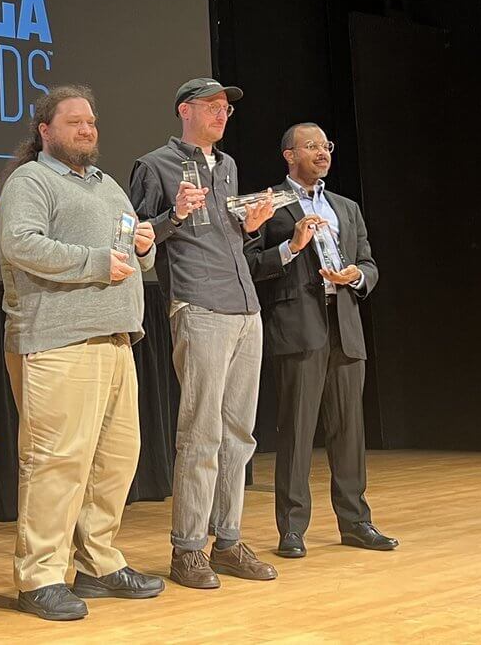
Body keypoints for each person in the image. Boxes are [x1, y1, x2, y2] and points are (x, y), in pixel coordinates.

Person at [0, 84, 165, 622]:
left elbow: (127, 253)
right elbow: (22, 244)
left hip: (117, 339)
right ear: (45, 131)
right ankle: (39, 575)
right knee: (56, 462)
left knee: (115, 461)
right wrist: (98, 261)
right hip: (58, 341)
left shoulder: (108, 184)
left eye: (90, 122)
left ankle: (98, 563)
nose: (86, 130)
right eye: (74, 122)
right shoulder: (32, 180)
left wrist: (144, 246)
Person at [129, 77, 278, 590]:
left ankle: (229, 540)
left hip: (244, 307)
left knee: (240, 433)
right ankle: (188, 548)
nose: (222, 115)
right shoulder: (155, 166)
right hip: (198, 305)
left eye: (226, 110)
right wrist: (175, 214)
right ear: (185, 110)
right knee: (202, 432)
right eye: (213, 107)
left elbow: (226, 234)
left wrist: (252, 225)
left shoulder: (229, 166)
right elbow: (138, 240)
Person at [244, 123, 396, 558]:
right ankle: (292, 529)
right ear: (288, 155)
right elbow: (250, 264)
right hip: (299, 328)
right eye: (310, 146)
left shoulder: (345, 207)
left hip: (345, 326)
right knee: (296, 432)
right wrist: (292, 246)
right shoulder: (269, 204)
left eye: (326, 145)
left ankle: (356, 521)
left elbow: (368, 260)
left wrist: (358, 276)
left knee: (350, 430)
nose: (321, 152)